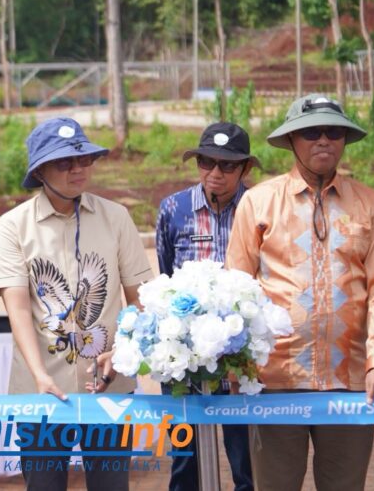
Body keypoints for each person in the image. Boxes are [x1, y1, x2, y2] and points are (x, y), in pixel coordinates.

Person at [226, 95, 374, 491]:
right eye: (310, 132)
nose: (323, 139)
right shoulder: (258, 202)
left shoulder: (370, 204)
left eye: (333, 131)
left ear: (344, 139)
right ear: (291, 140)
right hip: (274, 381)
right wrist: (235, 363)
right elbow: (236, 288)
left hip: (351, 380)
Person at [0, 117, 154, 491]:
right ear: (40, 170)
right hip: (41, 393)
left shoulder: (116, 217)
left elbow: (140, 300)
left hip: (109, 388)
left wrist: (122, 351)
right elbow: (17, 310)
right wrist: (40, 376)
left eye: (84, 159)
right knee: (44, 485)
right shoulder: (13, 226)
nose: (78, 168)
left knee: (111, 486)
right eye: (64, 162)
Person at [155, 122, 258, 491]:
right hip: (184, 359)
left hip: (241, 358)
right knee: (185, 460)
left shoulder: (258, 207)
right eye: (206, 162)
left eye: (227, 165)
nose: (215, 173)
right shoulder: (173, 209)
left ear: (246, 168)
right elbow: (165, 273)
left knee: (246, 459)